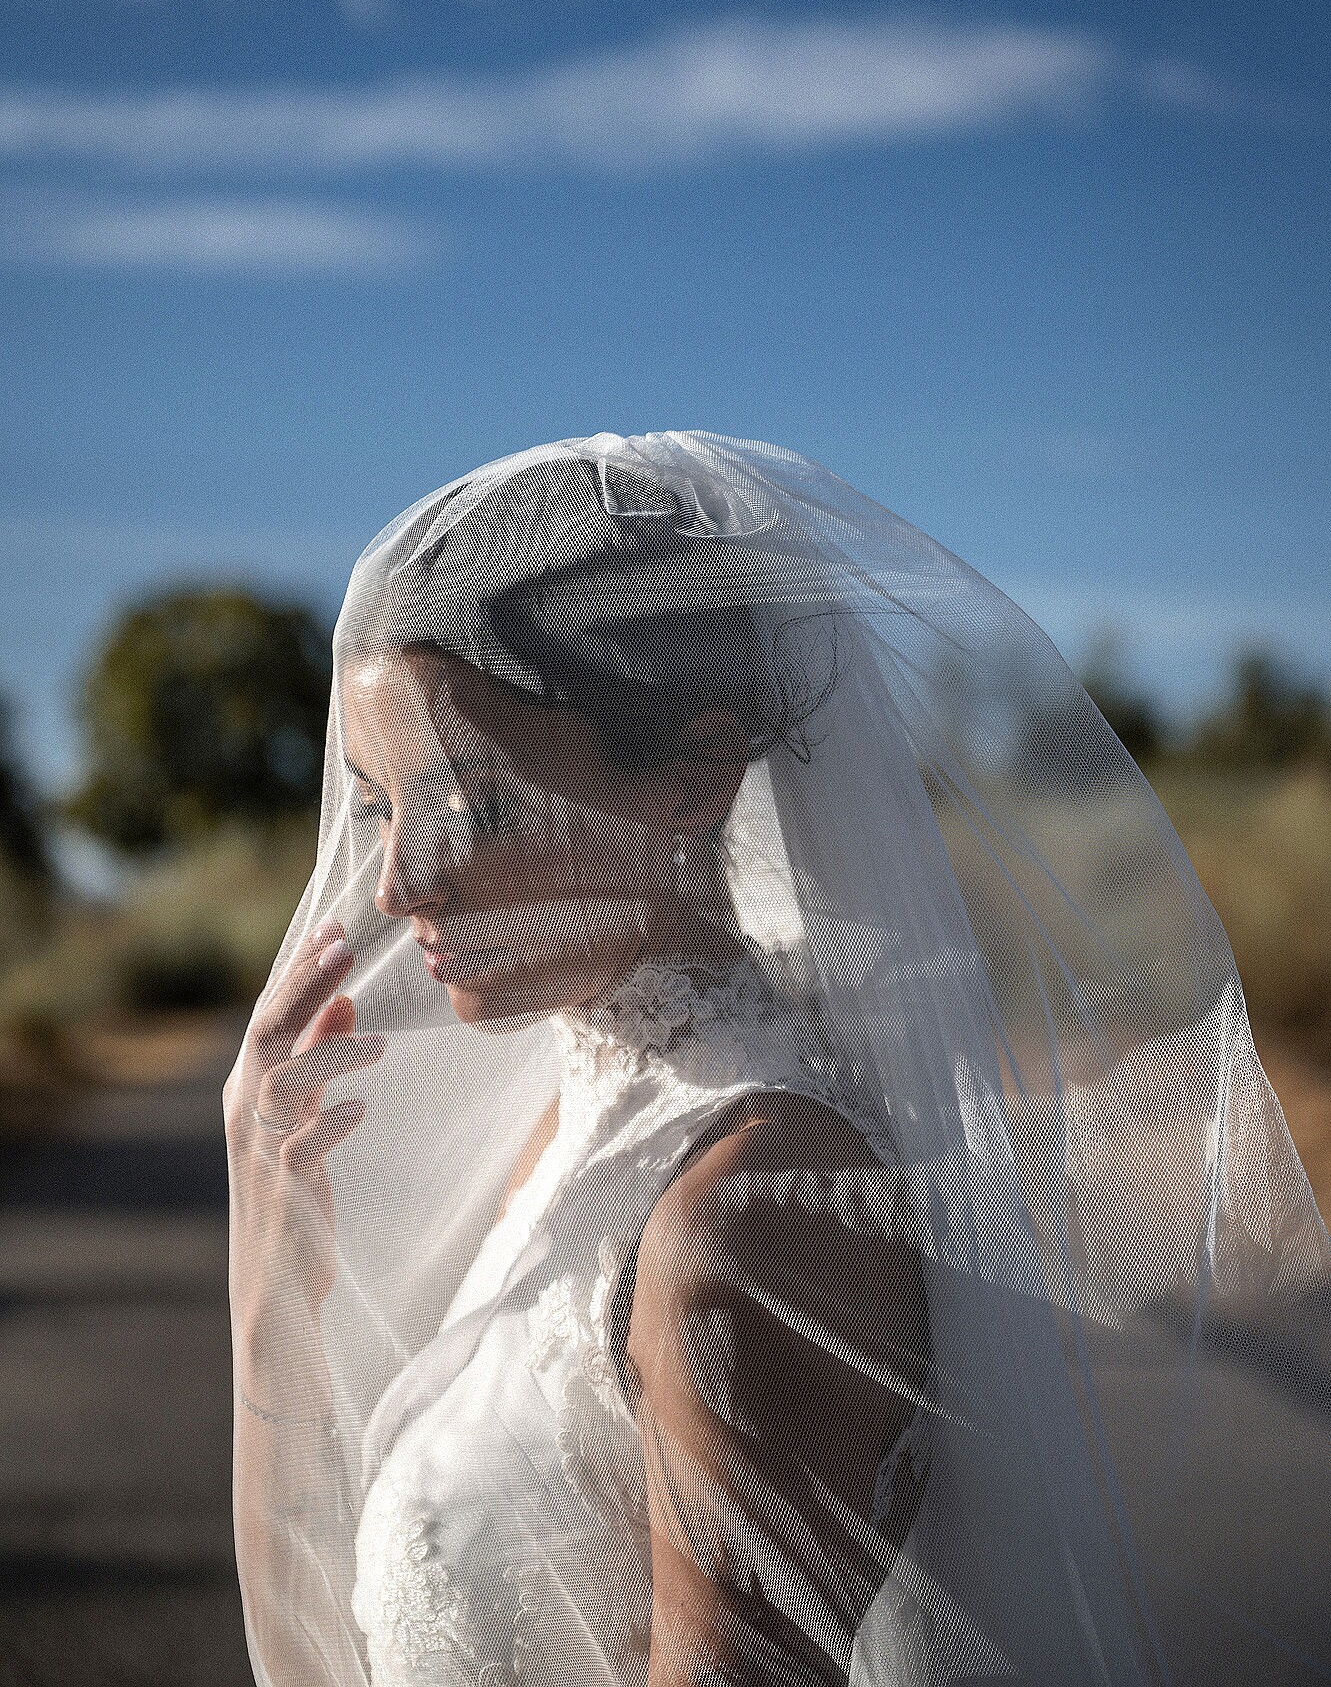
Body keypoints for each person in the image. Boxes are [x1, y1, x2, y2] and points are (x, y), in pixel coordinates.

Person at [225, 432, 1331, 1687]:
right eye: (379, 801)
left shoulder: (740, 1216)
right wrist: (276, 1257)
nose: (400, 881)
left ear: (693, 779)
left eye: (476, 806)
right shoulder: (597, 1112)